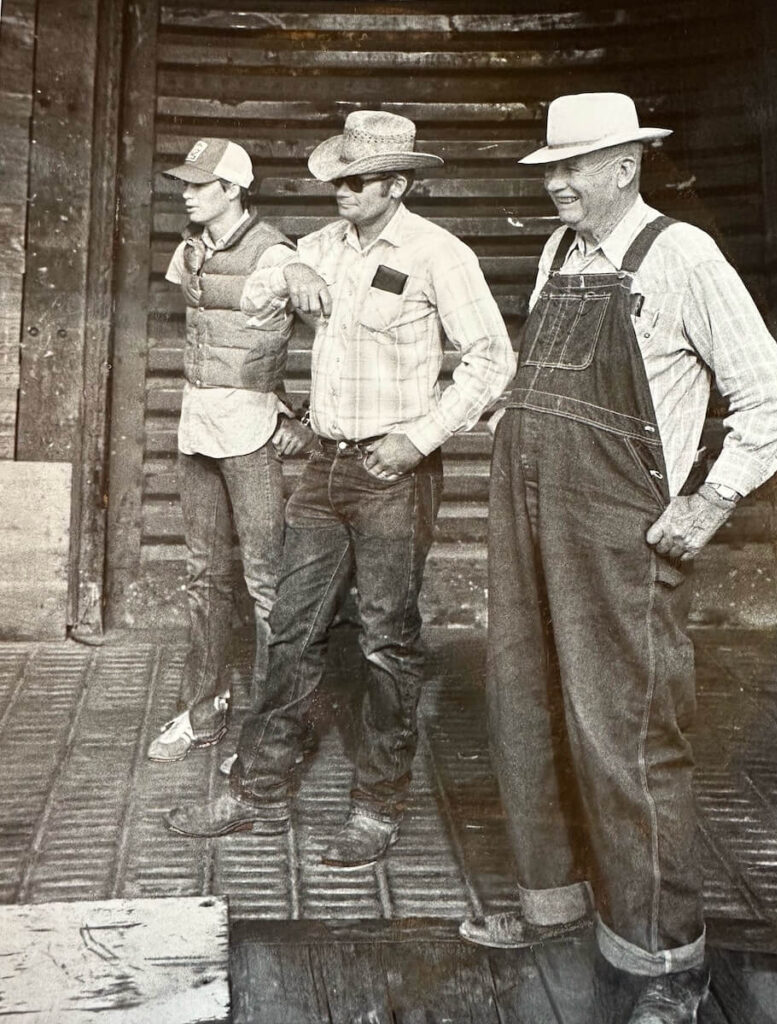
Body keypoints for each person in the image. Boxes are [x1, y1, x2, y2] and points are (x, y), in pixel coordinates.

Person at [458, 93, 777, 1022]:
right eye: (549, 168)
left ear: (627, 164)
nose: (556, 182)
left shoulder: (680, 256)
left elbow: (766, 394)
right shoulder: (562, 253)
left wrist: (711, 498)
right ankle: (554, 905)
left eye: (575, 165)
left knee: (627, 735)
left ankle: (663, 967)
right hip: (528, 513)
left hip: (617, 529)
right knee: (523, 701)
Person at [163, 110, 516, 868]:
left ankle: (376, 807)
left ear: (396, 183)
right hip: (322, 468)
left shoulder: (436, 254)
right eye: (336, 179)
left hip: (394, 473)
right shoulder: (317, 248)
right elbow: (245, 308)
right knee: (293, 628)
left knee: (387, 641)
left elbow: (490, 359)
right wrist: (287, 282)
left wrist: (417, 437)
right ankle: (258, 793)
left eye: (356, 181)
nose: (340, 192)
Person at [147, 138, 312, 764]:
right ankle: (203, 710)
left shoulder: (276, 256)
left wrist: (305, 417)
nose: (186, 193)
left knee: (266, 582)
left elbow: (335, 336)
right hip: (197, 430)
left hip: (248, 432)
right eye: (185, 183)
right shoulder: (189, 250)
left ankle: (271, 731)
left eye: (198, 184)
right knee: (205, 578)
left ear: (232, 189)